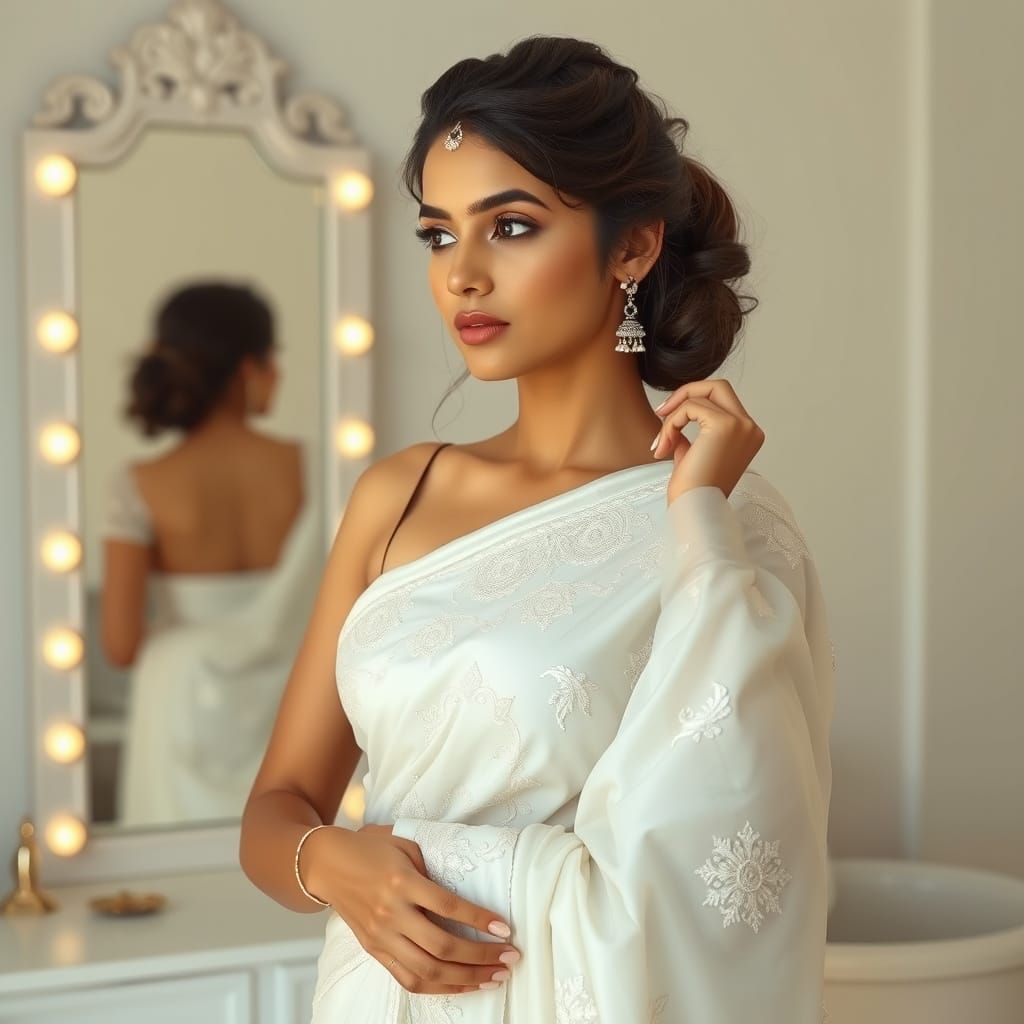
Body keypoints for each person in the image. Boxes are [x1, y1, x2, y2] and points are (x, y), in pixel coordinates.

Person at [238, 35, 835, 1024]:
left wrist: (695, 514)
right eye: (438, 234)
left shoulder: (724, 521)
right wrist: (332, 862)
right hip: (368, 996)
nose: (461, 275)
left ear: (633, 246)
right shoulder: (399, 493)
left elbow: (732, 876)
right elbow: (276, 808)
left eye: (509, 226)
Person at [101, 281, 321, 827]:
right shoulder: (318, 468)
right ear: (250, 367)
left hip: (179, 707)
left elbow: (121, 644)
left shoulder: (140, 483)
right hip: (297, 701)